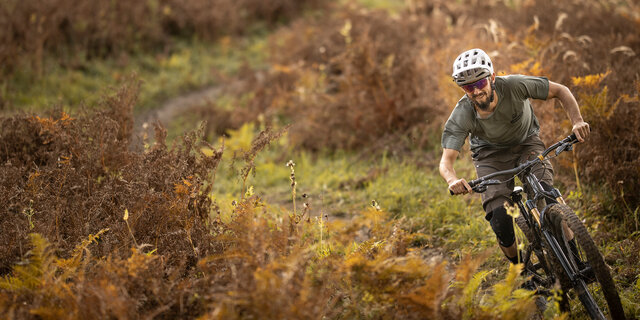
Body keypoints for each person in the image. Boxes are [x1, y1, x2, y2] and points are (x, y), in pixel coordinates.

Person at [438, 48, 591, 264]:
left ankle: (576, 263)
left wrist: (577, 121)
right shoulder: (462, 113)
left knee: (547, 197)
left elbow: (561, 91)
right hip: (489, 156)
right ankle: (522, 270)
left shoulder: (515, 85)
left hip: (527, 143)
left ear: (492, 77)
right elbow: (446, 161)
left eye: (480, 83)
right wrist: (452, 180)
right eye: (467, 87)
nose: (475, 91)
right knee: (500, 218)